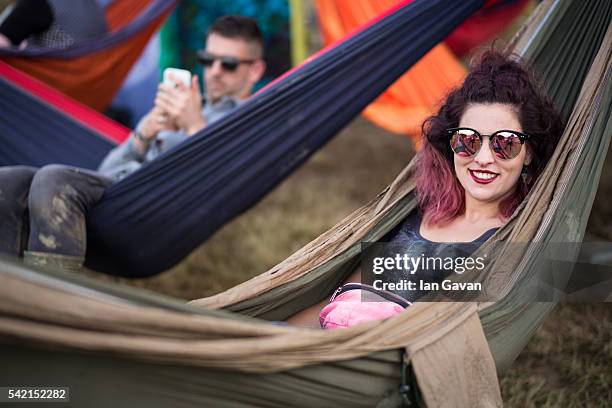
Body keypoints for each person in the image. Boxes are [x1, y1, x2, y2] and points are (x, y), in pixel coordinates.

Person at [286, 50, 564, 329]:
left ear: (528, 153)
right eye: (468, 140)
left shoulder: (511, 244)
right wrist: (271, 337)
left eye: (505, 143)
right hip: (317, 348)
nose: (482, 158)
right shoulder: (416, 212)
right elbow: (339, 302)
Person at [0, 15, 266, 270]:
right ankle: (13, 293)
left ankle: (50, 302)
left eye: (228, 64)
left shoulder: (251, 121)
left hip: (153, 216)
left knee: (53, 180)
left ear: (255, 70)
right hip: (121, 197)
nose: (214, 72)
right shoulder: (189, 104)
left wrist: (194, 125)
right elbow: (107, 170)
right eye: (207, 60)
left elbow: (220, 180)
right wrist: (145, 133)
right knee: (9, 181)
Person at [0, 0, 107, 49]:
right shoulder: (98, 16)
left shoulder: (40, 4)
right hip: (62, 88)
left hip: (25, 84)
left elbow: (2, 43)